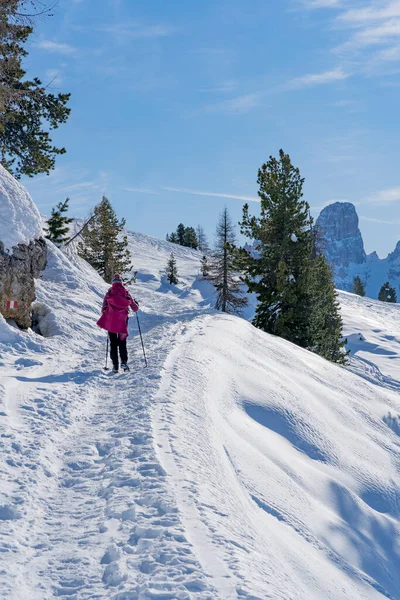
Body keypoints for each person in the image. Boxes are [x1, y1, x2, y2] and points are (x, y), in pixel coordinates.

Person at [97, 274, 139, 373]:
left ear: (113, 284)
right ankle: (124, 362)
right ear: (121, 283)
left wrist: (108, 312)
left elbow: (103, 309)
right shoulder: (126, 293)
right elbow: (135, 308)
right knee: (122, 341)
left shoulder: (109, 293)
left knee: (113, 343)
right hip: (122, 321)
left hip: (111, 321)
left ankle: (115, 366)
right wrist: (135, 304)